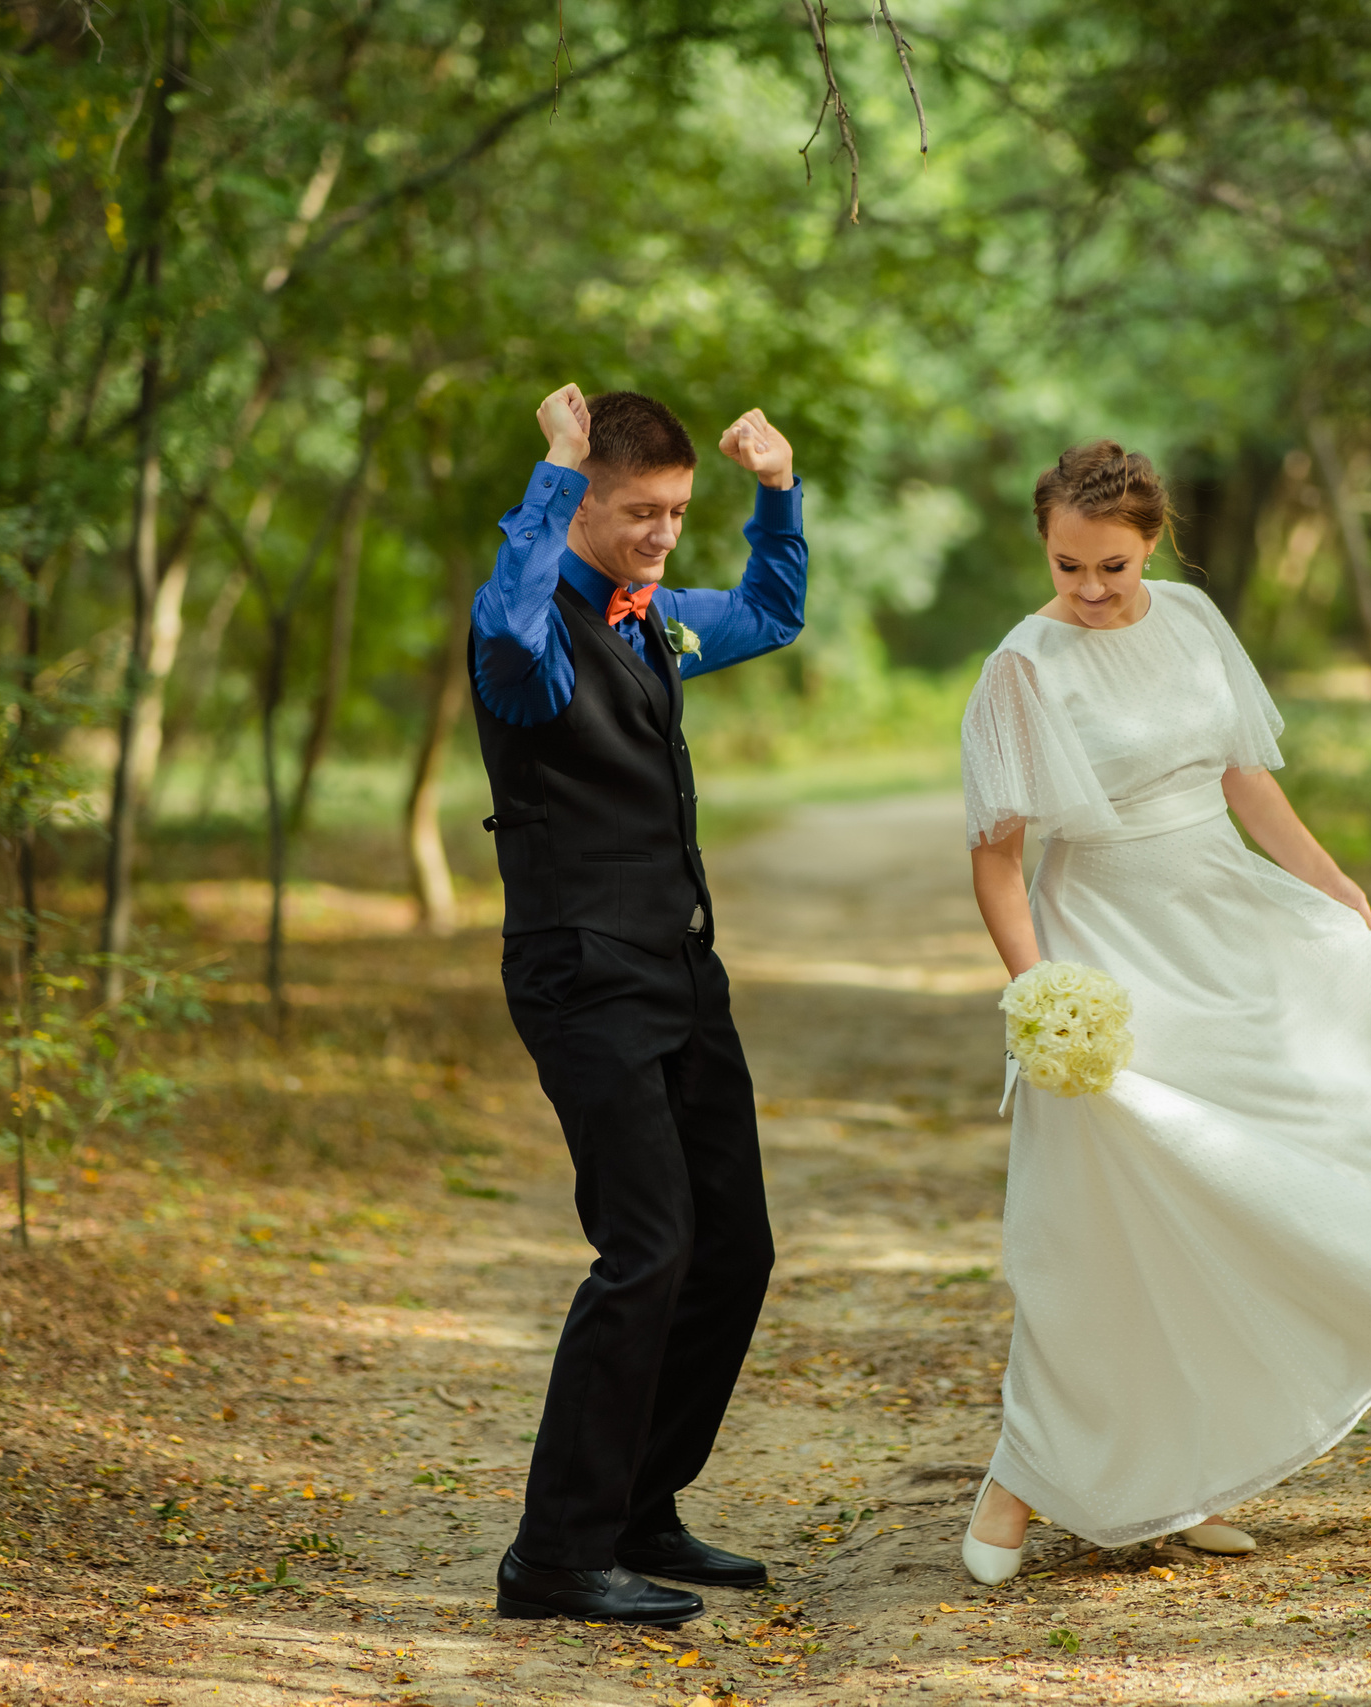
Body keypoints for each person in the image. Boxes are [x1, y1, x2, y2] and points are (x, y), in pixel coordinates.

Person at [954, 441, 1371, 1585]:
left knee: (1245, 1197)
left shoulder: (1188, 621)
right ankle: (1019, 1478)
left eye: (1113, 568)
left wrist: (1328, 881)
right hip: (1108, 948)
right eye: (1067, 566)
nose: (1089, 592)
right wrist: (1039, 990)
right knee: (1101, 1225)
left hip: (1222, 924)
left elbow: (1245, 780)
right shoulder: (1020, 669)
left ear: (1155, 543)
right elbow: (997, 862)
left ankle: (1186, 1486)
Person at [471, 383, 804, 1627]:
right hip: (579, 970)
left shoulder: (651, 616)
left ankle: (638, 1506)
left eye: (676, 512)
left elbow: (772, 608)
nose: (664, 535)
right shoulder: (528, 620)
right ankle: (554, 1555)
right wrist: (549, 478)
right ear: (581, 501)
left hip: (677, 968)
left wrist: (776, 495)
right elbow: (508, 645)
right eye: (639, 512)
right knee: (648, 1245)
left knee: (734, 1247)